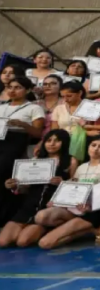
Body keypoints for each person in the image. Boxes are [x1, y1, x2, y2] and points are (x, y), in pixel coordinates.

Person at [36, 137, 100, 249]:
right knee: (40, 216)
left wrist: (90, 207)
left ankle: (92, 226)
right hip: (76, 209)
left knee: (44, 243)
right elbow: (73, 188)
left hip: (94, 211)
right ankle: (93, 229)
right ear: (88, 147)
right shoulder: (81, 167)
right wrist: (57, 200)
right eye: (93, 145)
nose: (96, 149)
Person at [0, 129, 75, 248]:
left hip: (48, 208)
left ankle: (49, 227)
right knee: (3, 242)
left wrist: (63, 183)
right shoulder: (34, 161)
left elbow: (75, 188)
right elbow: (24, 189)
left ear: (64, 142)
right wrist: (14, 186)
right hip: (28, 207)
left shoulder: (71, 161)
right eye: (49, 140)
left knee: (22, 242)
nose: (52, 143)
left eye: (57, 141)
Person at [0, 77, 45, 225]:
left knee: (5, 177)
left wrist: (23, 125)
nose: (12, 90)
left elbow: (38, 133)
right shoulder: (2, 106)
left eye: (17, 87)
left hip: (15, 144)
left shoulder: (34, 108)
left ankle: (5, 218)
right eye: (10, 87)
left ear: (28, 90)